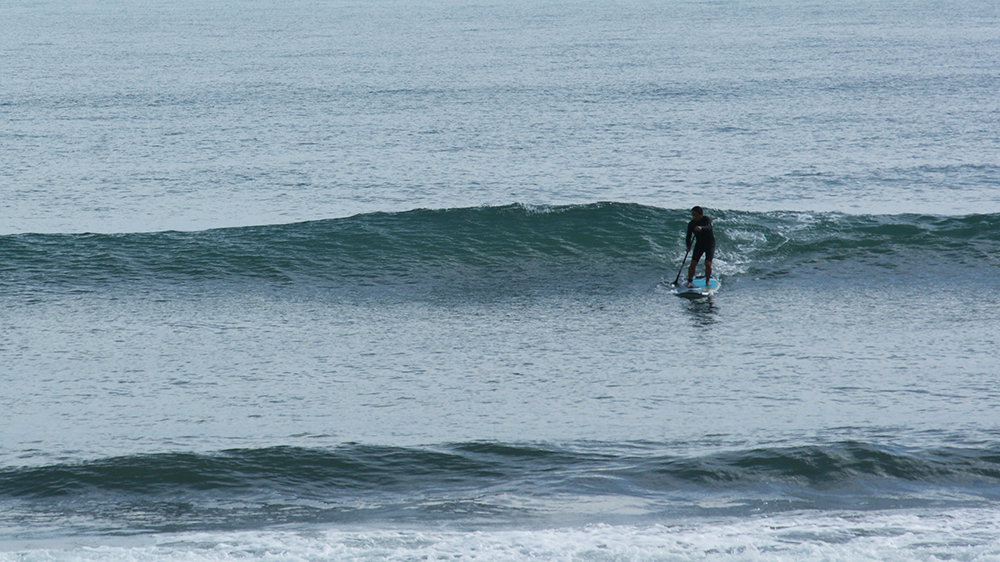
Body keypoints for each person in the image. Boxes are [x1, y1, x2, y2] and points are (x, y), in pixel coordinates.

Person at [685, 206, 715, 288]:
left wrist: (701, 228)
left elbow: (709, 227)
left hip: (709, 244)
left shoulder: (706, 219)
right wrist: (688, 246)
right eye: (692, 215)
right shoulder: (691, 224)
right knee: (693, 263)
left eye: (695, 215)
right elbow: (688, 236)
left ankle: (707, 281)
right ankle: (689, 281)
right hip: (699, 245)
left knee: (707, 263)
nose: (694, 217)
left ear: (700, 214)